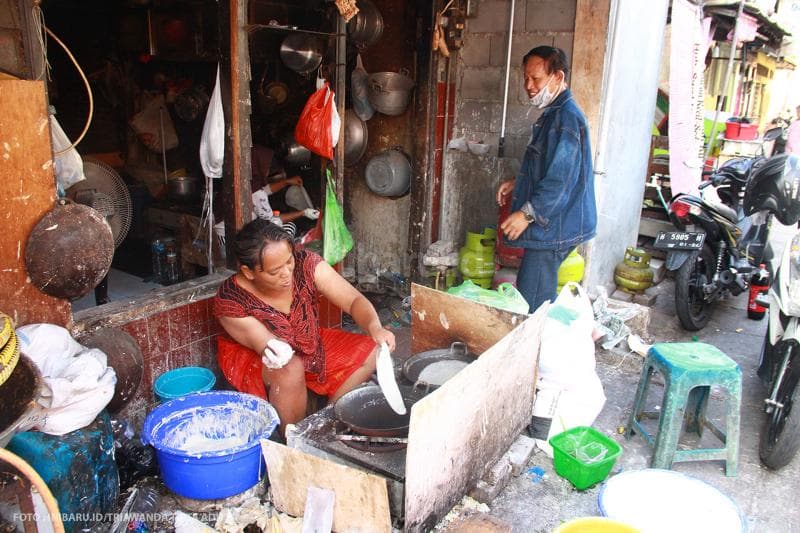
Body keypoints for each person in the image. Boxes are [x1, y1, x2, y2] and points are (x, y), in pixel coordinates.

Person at [213, 219, 395, 435]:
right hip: (261, 356)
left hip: (305, 339)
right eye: (274, 272)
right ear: (249, 272)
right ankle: (292, 437)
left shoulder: (306, 263)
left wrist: (375, 328)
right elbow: (266, 344)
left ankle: (324, 420)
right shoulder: (230, 300)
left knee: (375, 351)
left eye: (288, 261)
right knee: (290, 369)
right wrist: (277, 350)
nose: (286, 273)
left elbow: (353, 300)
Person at [496, 46, 596, 313]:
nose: (529, 86)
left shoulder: (566, 119)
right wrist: (520, 182)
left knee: (533, 302)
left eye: (536, 79)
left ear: (558, 77)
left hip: (555, 225)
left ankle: (535, 351)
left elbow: (560, 182)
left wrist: (527, 214)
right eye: (526, 78)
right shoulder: (553, 115)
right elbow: (550, 167)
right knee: (535, 292)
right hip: (554, 222)